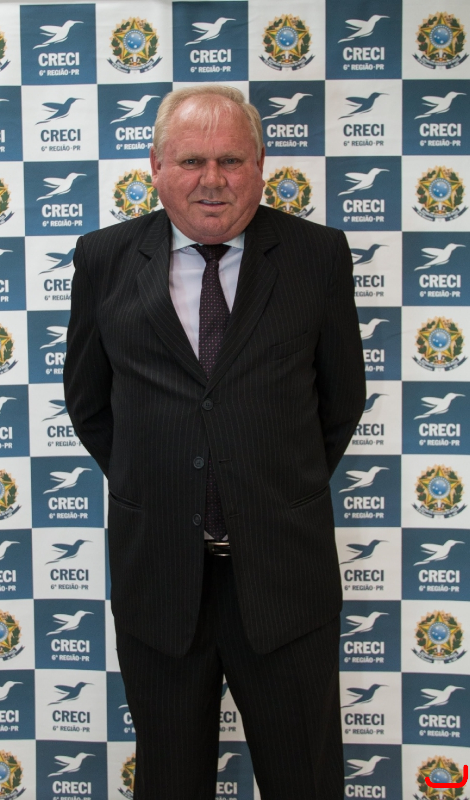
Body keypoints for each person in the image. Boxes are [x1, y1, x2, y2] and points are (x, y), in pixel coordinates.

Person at [64, 85, 365, 800]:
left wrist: (265, 488)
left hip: (284, 578)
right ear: (155, 166)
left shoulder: (317, 255)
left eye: (231, 160)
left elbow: (340, 401)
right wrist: (163, 484)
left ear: (260, 165)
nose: (212, 179)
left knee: (305, 780)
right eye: (191, 160)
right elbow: (89, 404)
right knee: (169, 781)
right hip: (159, 578)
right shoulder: (104, 258)